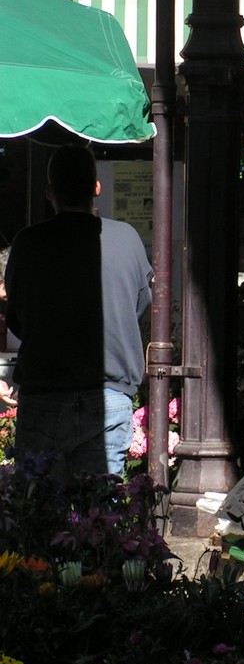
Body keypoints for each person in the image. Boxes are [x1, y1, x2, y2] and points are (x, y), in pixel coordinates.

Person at [5, 144, 153, 481]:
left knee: (41, 514)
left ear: (49, 193)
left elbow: (16, 318)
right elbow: (140, 307)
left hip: (44, 394)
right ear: (96, 188)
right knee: (101, 517)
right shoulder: (127, 239)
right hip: (110, 393)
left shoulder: (29, 243)